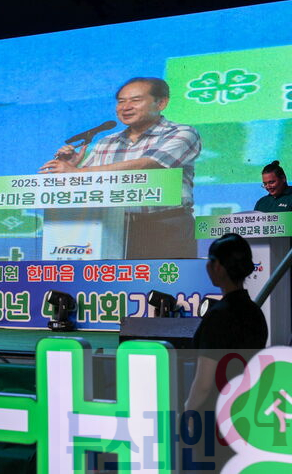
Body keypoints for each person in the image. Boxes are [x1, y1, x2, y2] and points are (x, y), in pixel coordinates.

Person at [39, 77, 202, 258]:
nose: (126, 107)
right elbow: (86, 182)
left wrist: (77, 172)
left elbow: (148, 164)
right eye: (121, 101)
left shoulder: (181, 133)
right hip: (115, 227)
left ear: (161, 103)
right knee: (117, 276)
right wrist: (71, 168)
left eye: (135, 100)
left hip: (166, 225)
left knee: (167, 277)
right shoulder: (106, 142)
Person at [183, 233, 267, 470]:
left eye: (210, 261)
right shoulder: (255, 313)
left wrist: (188, 411)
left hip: (214, 421)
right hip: (245, 417)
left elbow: (204, 383)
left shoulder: (219, 316)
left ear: (218, 267)